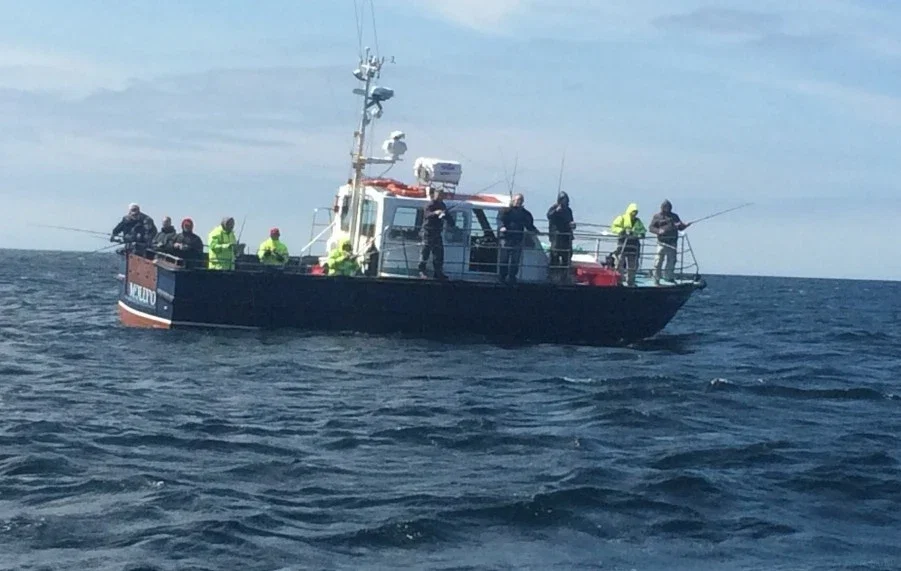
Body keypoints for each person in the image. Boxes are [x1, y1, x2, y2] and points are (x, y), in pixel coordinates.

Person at [498, 193, 539, 284]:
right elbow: (500, 219)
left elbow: (529, 224)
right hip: (506, 238)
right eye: (516, 200)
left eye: (520, 200)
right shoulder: (506, 211)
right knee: (504, 259)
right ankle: (502, 276)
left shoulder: (525, 213)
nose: (518, 202)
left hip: (517, 239)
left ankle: (512, 277)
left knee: (515, 260)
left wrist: (535, 230)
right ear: (513, 200)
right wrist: (501, 227)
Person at [649, 199, 691, 285]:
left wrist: (685, 225)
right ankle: (656, 278)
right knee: (658, 261)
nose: (666, 208)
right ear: (662, 207)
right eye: (665, 207)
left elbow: (680, 227)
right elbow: (651, 228)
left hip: (672, 242)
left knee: (672, 261)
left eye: (668, 207)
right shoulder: (657, 216)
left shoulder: (674, 216)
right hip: (661, 242)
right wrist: (658, 231)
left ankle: (669, 277)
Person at [418, 187, 453, 279]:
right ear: (434, 194)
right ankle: (421, 271)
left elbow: (447, 215)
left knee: (439, 254)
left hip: (437, 233)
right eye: (438, 194)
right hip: (428, 232)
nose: (440, 196)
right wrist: (435, 213)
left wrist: (451, 221)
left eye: (442, 194)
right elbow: (427, 214)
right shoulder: (430, 204)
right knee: (425, 253)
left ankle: (438, 272)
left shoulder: (443, 205)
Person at [610, 203, 646, 286]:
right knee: (619, 264)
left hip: (633, 246)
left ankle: (631, 281)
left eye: (636, 212)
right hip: (622, 245)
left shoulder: (638, 221)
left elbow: (643, 230)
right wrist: (622, 231)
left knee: (632, 266)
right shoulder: (621, 218)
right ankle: (619, 281)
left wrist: (641, 234)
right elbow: (614, 227)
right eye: (633, 211)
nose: (634, 213)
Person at [546, 191, 576, 283]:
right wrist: (556, 211)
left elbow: (570, 220)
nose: (565, 201)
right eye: (563, 199)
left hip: (566, 236)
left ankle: (564, 276)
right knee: (554, 255)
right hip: (556, 236)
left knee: (567, 256)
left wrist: (572, 225)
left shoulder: (568, 210)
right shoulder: (554, 208)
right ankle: (553, 276)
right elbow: (549, 216)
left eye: (566, 200)